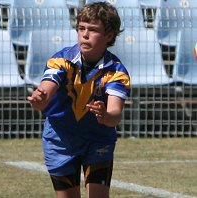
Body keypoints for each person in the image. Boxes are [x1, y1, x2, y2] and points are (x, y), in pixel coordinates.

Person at [27, 2, 131, 198]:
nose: (85, 34)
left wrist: (105, 115)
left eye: (92, 30)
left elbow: (115, 115)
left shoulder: (117, 71)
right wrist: (39, 100)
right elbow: (46, 90)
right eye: (81, 28)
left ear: (109, 36)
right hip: (60, 138)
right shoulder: (61, 61)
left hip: (98, 138)